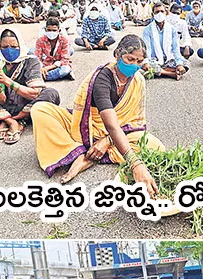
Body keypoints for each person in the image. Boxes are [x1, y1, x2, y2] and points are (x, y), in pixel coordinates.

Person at [33, 35, 164, 190]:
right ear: (117, 55)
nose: (134, 65)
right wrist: (135, 164)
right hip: (89, 125)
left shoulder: (138, 80)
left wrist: (107, 141)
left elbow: (135, 122)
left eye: (139, 61)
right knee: (39, 110)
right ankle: (79, 153)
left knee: (155, 146)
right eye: (130, 59)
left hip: (120, 131)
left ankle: (90, 155)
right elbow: (111, 125)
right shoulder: (102, 78)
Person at [0, 28, 60, 144]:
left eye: (14, 47)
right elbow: (0, 100)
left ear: (20, 45)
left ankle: (14, 118)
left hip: (25, 102)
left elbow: (34, 93)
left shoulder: (31, 61)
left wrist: (6, 81)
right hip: (4, 104)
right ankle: (11, 121)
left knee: (51, 93)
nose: (9, 50)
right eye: (4, 47)